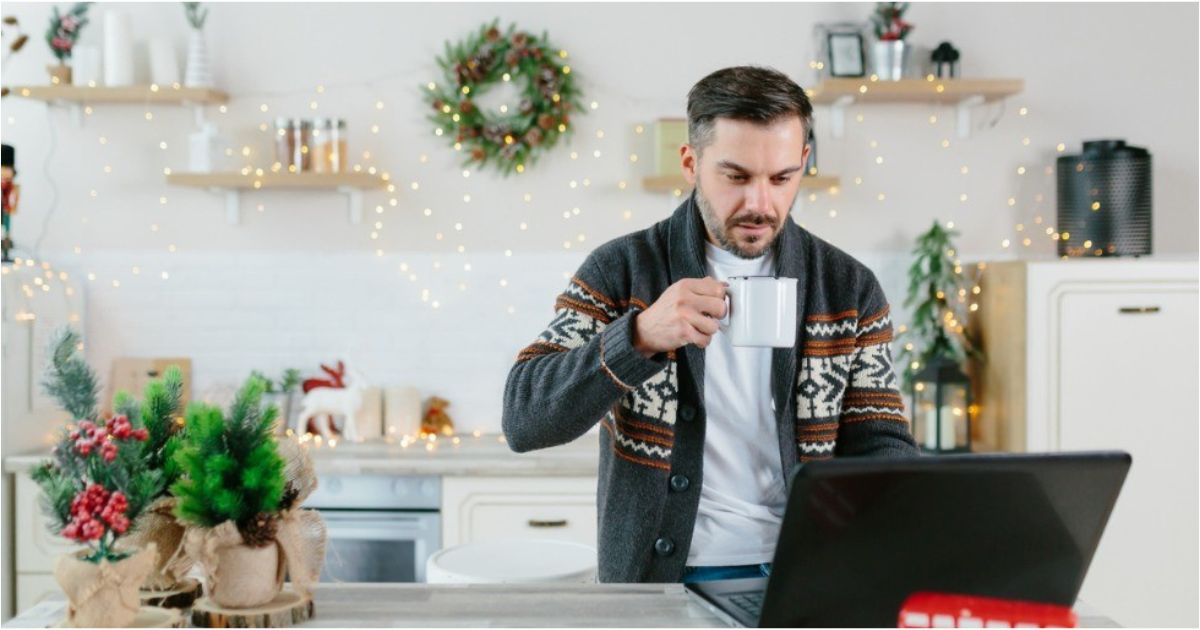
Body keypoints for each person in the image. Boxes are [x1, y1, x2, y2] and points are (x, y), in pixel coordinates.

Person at [502, 66, 917, 584]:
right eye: (736, 176)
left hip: (803, 577)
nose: (760, 204)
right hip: (660, 581)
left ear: (804, 163)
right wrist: (638, 337)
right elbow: (523, 420)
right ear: (690, 163)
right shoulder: (622, 271)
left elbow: (882, 444)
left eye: (782, 178)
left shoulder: (849, 288)